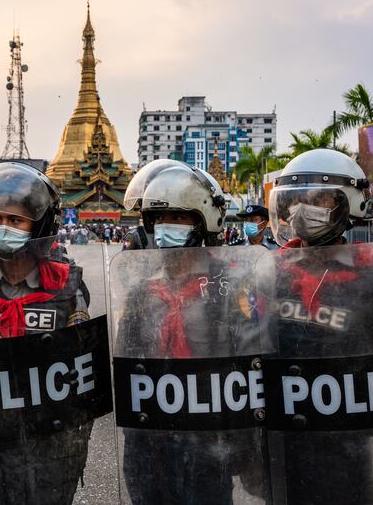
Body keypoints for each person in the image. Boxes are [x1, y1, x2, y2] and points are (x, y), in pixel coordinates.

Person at [268, 148, 373, 504]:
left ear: (348, 204)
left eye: (317, 199)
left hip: (349, 434)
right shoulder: (271, 274)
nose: (301, 210)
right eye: (294, 201)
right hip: (283, 434)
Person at [115, 160, 268, 503]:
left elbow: (252, 366)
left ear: (203, 222)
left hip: (209, 439)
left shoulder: (231, 287)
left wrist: (246, 446)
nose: (166, 227)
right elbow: (126, 364)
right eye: (159, 219)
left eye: (179, 218)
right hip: (150, 443)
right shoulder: (142, 292)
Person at [0, 161, 92, 505]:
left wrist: (25, 355)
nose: (3, 227)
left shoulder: (66, 289)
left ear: (38, 226)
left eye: (15, 220)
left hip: (45, 445)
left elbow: (83, 369)